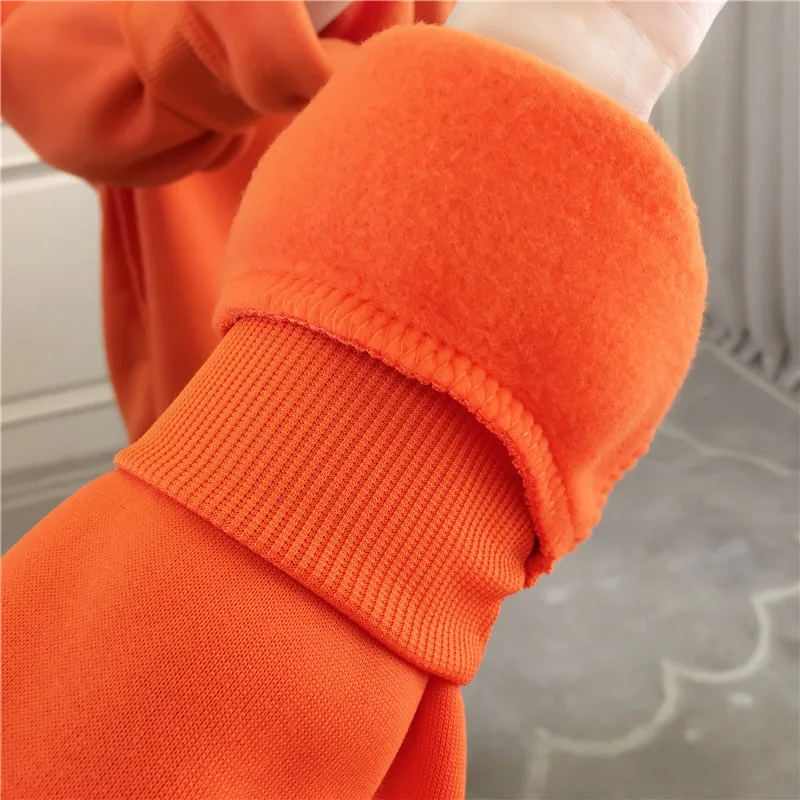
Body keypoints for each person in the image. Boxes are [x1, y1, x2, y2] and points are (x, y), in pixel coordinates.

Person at [1, 2, 725, 797]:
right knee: (244, 658)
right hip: (211, 376)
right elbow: (48, 74)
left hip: (455, 395)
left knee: (389, 664)